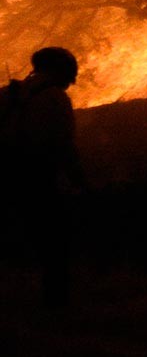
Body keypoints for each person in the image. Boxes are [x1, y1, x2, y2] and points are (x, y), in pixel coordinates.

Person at [2, 45, 87, 306]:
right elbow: (63, 144)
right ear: (62, 71)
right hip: (37, 175)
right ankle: (56, 302)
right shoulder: (55, 98)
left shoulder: (9, 93)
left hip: (7, 173)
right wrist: (79, 181)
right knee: (54, 239)